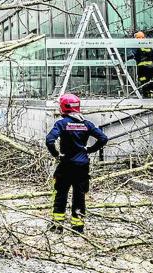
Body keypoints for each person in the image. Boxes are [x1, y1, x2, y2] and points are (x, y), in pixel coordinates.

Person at [45, 93, 108, 234]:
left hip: (66, 165)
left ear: (63, 107)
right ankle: (77, 228)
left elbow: (49, 140)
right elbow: (103, 138)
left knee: (60, 194)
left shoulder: (61, 124)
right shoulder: (87, 124)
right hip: (82, 167)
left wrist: (56, 154)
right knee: (79, 196)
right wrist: (90, 150)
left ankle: (57, 226)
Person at [129, 31, 153, 98]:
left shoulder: (138, 45)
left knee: (143, 79)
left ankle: (145, 93)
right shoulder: (148, 46)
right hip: (150, 67)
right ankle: (151, 93)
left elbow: (134, 54)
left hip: (142, 67)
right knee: (150, 80)